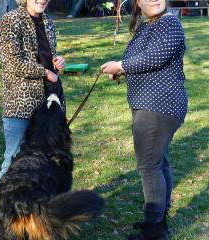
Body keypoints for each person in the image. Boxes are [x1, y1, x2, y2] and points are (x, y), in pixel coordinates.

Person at [101, 0, 187, 239]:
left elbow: (154, 58)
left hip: (159, 105)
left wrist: (121, 65)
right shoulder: (148, 26)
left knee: (149, 166)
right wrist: (120, 70)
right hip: (148, 104)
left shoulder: (170, 24)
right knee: (159, 163)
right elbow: (139, 58)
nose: (154, 0)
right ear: (139, 2)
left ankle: (154, 231)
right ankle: (160, 219)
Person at [0, 0, 66, 188]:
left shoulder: (48, 21)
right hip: (21, 104)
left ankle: (33, 208)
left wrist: (58, 62)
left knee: (45, 158)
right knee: (15, 159)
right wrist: (44, 72)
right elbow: (12, 62)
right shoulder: (10, 20)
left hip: (49, 103)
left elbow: (47, 57)